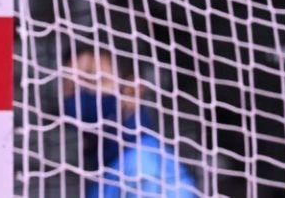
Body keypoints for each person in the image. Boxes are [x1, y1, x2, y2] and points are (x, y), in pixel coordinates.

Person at [62, 44, 197, 198]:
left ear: (131, 90)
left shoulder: (143, 169)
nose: (81, 95)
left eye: (93, 81)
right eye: (71, 88)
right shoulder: (110, 169)